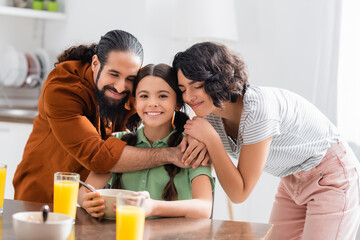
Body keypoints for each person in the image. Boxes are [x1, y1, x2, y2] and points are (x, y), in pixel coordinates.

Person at [172, 42, 360, 239]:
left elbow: (240, 193)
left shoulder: (258, 110)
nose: (189, 97)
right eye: (183, 89)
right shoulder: (209, 113)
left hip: (331, 173)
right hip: (292, 178)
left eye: (198, 86)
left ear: (217, 80)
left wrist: (211, 140)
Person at [13, 29, 207, 204]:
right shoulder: (62, 88)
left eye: (130, 78)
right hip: (42, 199)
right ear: (96, 63)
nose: (121, 86)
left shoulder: (127, 89)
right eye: (113, 74)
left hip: (87, 204)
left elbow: (157, 108)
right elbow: (98, 156)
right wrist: (171, 154)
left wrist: (193, 133)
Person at [78, 64, 214, 219]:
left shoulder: (193, 147)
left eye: (162, 96)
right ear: (135, 103)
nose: (152, 103)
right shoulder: (117, 141)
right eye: (144, 96)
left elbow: (204, 207)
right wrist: (85, 201)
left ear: (177, 103)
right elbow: (84, 192)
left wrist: (153, 207)